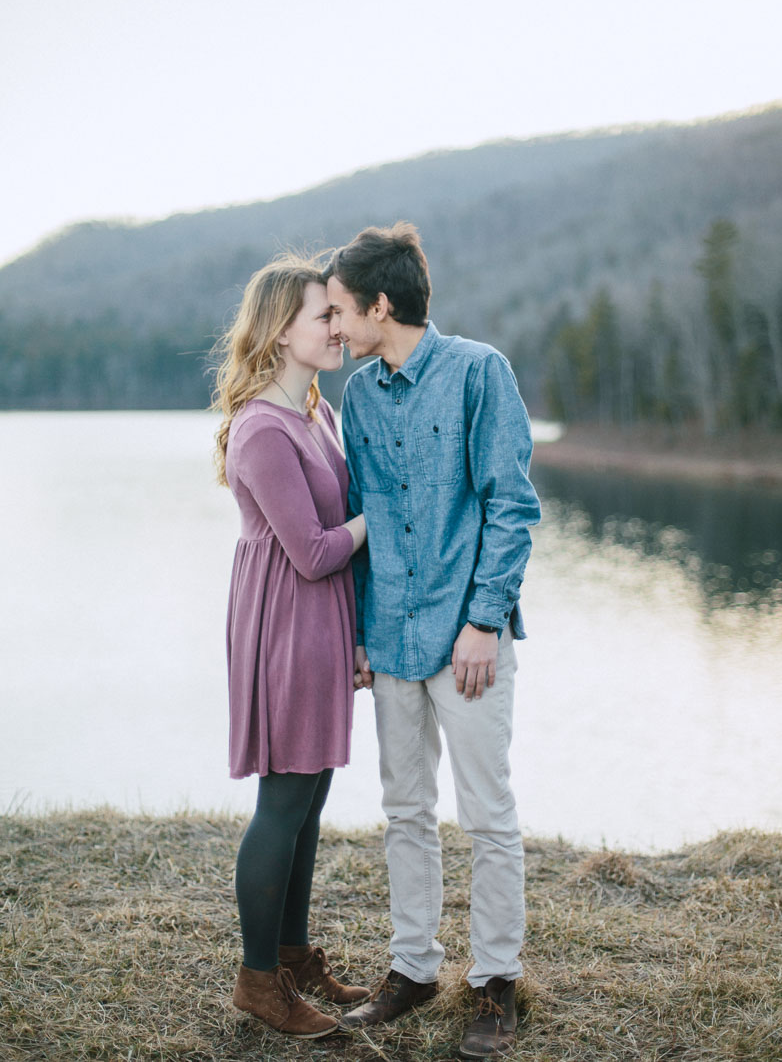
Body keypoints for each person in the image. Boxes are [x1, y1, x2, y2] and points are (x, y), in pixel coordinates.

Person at [326, 223, 541, 1058]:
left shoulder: (480, 373)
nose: (335, 326)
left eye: (342, 309)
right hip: (390, 638)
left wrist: (485, 620)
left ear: (383, 304)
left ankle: (495, 982)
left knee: (488, 812)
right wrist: (357, 632)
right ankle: (412, 969)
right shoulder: (362, 400)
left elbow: (511, 506)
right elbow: (368, 521)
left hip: (467, 639)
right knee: (403, 810)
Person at [211, 255, 369, 1040]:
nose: (338, 328)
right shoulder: (260, 429)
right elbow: (309, 550)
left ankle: (294, 951)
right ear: (280, 332)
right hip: (286, 623)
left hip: (323, 621)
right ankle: (258, 981)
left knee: (312, 793)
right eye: (323, 317)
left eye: (338, 316)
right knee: (284, 799)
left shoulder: (317, 412)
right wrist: (385, 520)